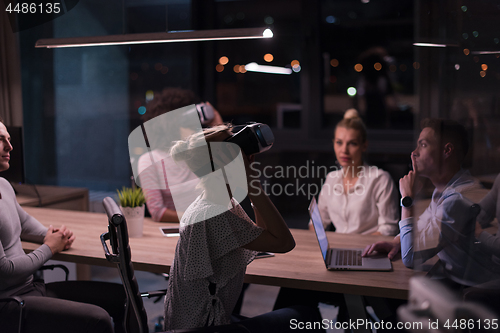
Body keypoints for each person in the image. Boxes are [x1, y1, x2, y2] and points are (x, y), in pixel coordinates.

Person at [163, 124, 322, 332]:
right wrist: (251, 183)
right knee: (306, 316)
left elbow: (263, 233)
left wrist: (249, 184)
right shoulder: (212, 215)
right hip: (204, 328)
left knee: (297, 303)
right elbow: (284, 243)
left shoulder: (218, 204)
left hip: (202, 324)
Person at [0, 118, 128, 333]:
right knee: (98, 320)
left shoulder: (3, 185)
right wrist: (50, 247)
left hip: (31, 289)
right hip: (9, 303)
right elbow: (5, 271)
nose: (10, 146)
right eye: (0, 139)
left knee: (123, 298)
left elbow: (22, 222)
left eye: (9, 139)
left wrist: (53, 235)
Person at [363, 118, 499, 287]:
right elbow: (423, 225)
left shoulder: (455, 200)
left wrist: (407, 200)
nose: (414, 152)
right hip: (456, 282)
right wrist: (396, 242)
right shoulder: (446, 189)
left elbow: (411, 258)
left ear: (446, 150)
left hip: (471, 293)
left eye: (423, 145)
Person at [137, 87, 223, 222]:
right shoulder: (150, 160)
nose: (195, 125)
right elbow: (158, 212)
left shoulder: (200, 152)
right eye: (188, 122)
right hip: (182, 232)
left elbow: (227, 186)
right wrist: (200, 218)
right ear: (170, 125)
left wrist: (218, 126)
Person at [316, 109, 399, 235]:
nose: (344, 150)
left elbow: (389, 228)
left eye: (352, 144)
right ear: (333, 144)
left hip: (368, 251)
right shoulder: (331, 178)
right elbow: (317, 222)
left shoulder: (380, 179)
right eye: (339, 143)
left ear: (364, 146)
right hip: (338, 247)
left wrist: (358, 246)